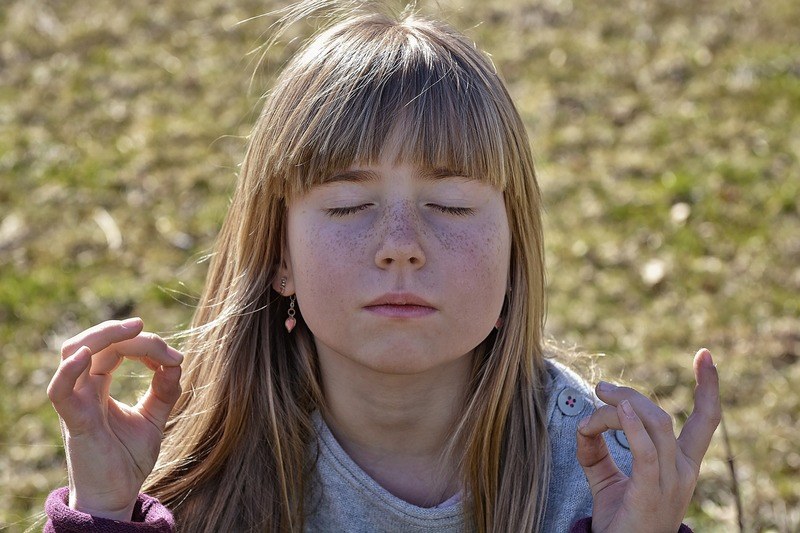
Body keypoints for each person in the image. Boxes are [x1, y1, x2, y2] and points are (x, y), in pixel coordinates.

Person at [44, 2, 721, 531]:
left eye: (450, 204)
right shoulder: (189, 473)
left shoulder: (601, 477)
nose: (401, 244)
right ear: (279, 253)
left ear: (517, 247)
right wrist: (104, 511)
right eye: (348, 204)